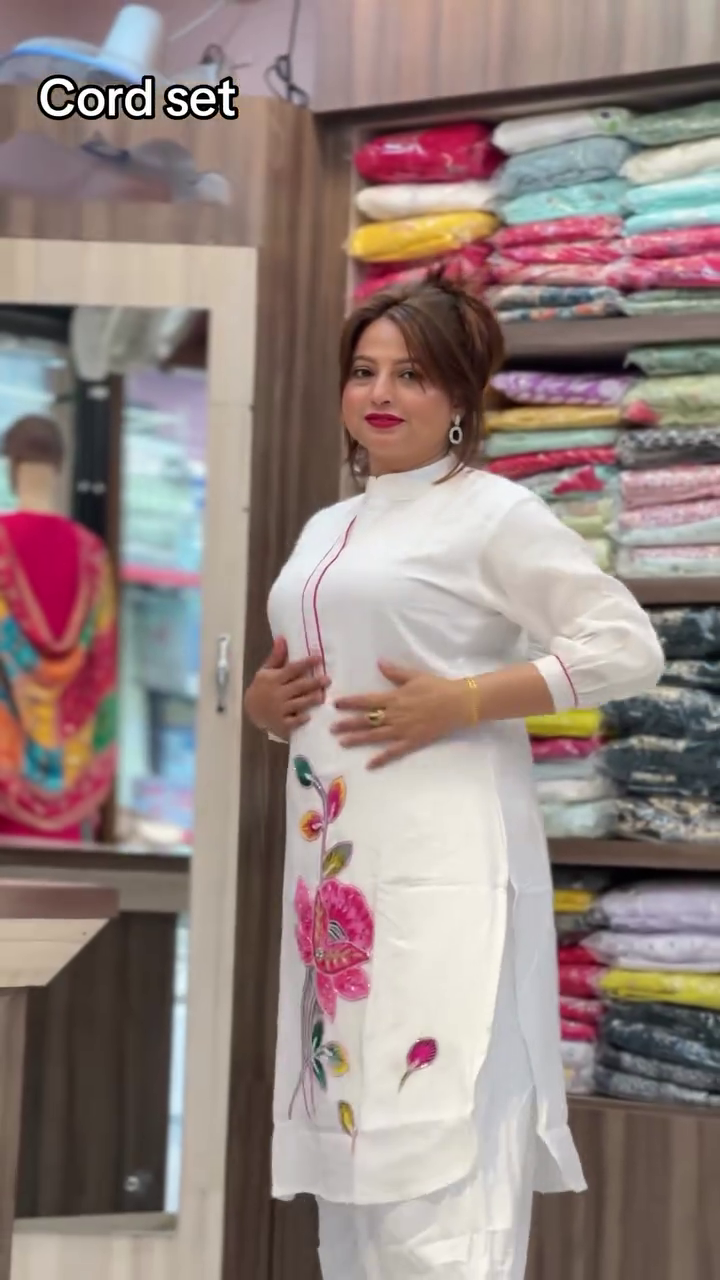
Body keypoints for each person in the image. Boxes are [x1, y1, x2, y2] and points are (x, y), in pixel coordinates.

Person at [244, 273, 664, 1279]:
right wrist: (264, 707)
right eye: (364, 371)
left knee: (440, 1171)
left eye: (413, 374)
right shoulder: (327, 526)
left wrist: (466, 699)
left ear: (461, 398)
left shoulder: (492, 513)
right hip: (337, 885)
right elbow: (313, 675)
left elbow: (627, 646)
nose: (381, 393)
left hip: (446, 872)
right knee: (354, 1193)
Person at [0, 415, 117, 840]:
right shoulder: (93, 557)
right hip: (71, 791)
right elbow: (102, 676)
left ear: (11, 468)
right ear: (60, 468)